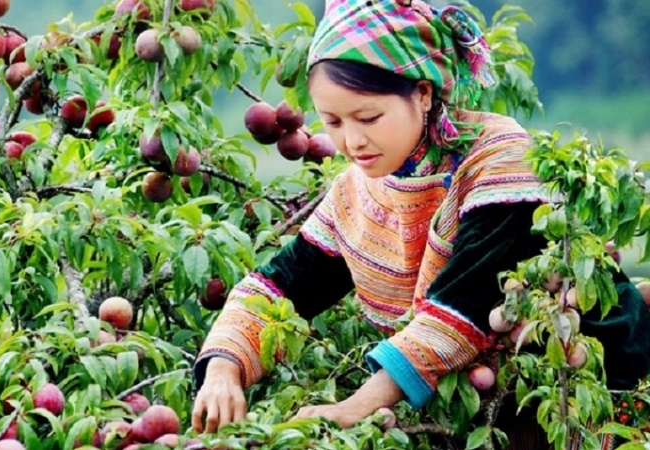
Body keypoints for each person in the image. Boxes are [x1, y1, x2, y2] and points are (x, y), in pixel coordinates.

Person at [190, 0, 650, 448]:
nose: (352, 141)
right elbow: (282, 286)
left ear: (423, 93)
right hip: (487, 412)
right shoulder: (357, 191)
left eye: (368, 117)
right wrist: (224, 368)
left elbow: (463, 305)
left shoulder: (500, 160)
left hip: (603, 387)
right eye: (332, 121)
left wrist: (358, 405)